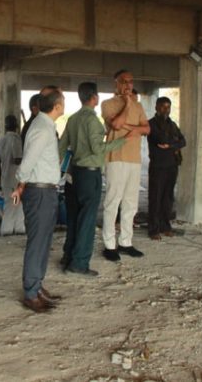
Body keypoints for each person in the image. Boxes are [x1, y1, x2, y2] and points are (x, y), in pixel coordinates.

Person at [58, 82, 133, 275]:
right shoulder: (92, 120)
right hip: (89, 174)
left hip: (73, 172)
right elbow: (97, 149)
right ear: (94, 97)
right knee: (87, 220)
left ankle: (68, 257)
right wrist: (123, 140)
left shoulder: (73, 119)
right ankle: (79, 263)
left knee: (74, 217)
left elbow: (62, 145)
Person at [11, 91, 65, 312]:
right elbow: (29, 160)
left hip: (45, 190)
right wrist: (21, 182)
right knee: (37, 243)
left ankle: (37, 286)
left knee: (43, 242)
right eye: (62, 102)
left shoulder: (45, 125)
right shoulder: (42, 128)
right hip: (39, 192)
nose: (64, 106)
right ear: (57, 106)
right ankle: (31, 293)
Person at [100, 69, 150, 262]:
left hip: (134, 159)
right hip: (116, 158)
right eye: (124, 81)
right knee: (113, 202)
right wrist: (128, 103)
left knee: (131, 203)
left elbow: (147, 129)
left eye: (131, 81)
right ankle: (109, 245)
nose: (128, 84)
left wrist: (130, 127)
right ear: (116, 83)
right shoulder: (108, 104)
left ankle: (126, 242)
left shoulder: (139, 106)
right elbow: (116, 124)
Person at [146, 97, 186, 240]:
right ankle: (153, 230)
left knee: (168, 198)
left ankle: (165, 226)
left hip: (172, 165)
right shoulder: (151, 124)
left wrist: (171, 145)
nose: (166, 110)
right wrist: (173, 142)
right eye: (163, 107)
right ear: (156, 107)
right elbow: (161, 139)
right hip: (158, 166)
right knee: (155, 198)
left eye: (168, 107)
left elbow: (183, 141)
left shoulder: (172, 124)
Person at [0, 115, 25, 236]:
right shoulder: (16, 139)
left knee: (9, 204)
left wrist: (1, 177)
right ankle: (18, 229)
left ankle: (7, 230)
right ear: (17, 126)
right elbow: (17, 159)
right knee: (18, 204)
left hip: (5, 177)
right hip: (16, 177)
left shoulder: (0, 140)